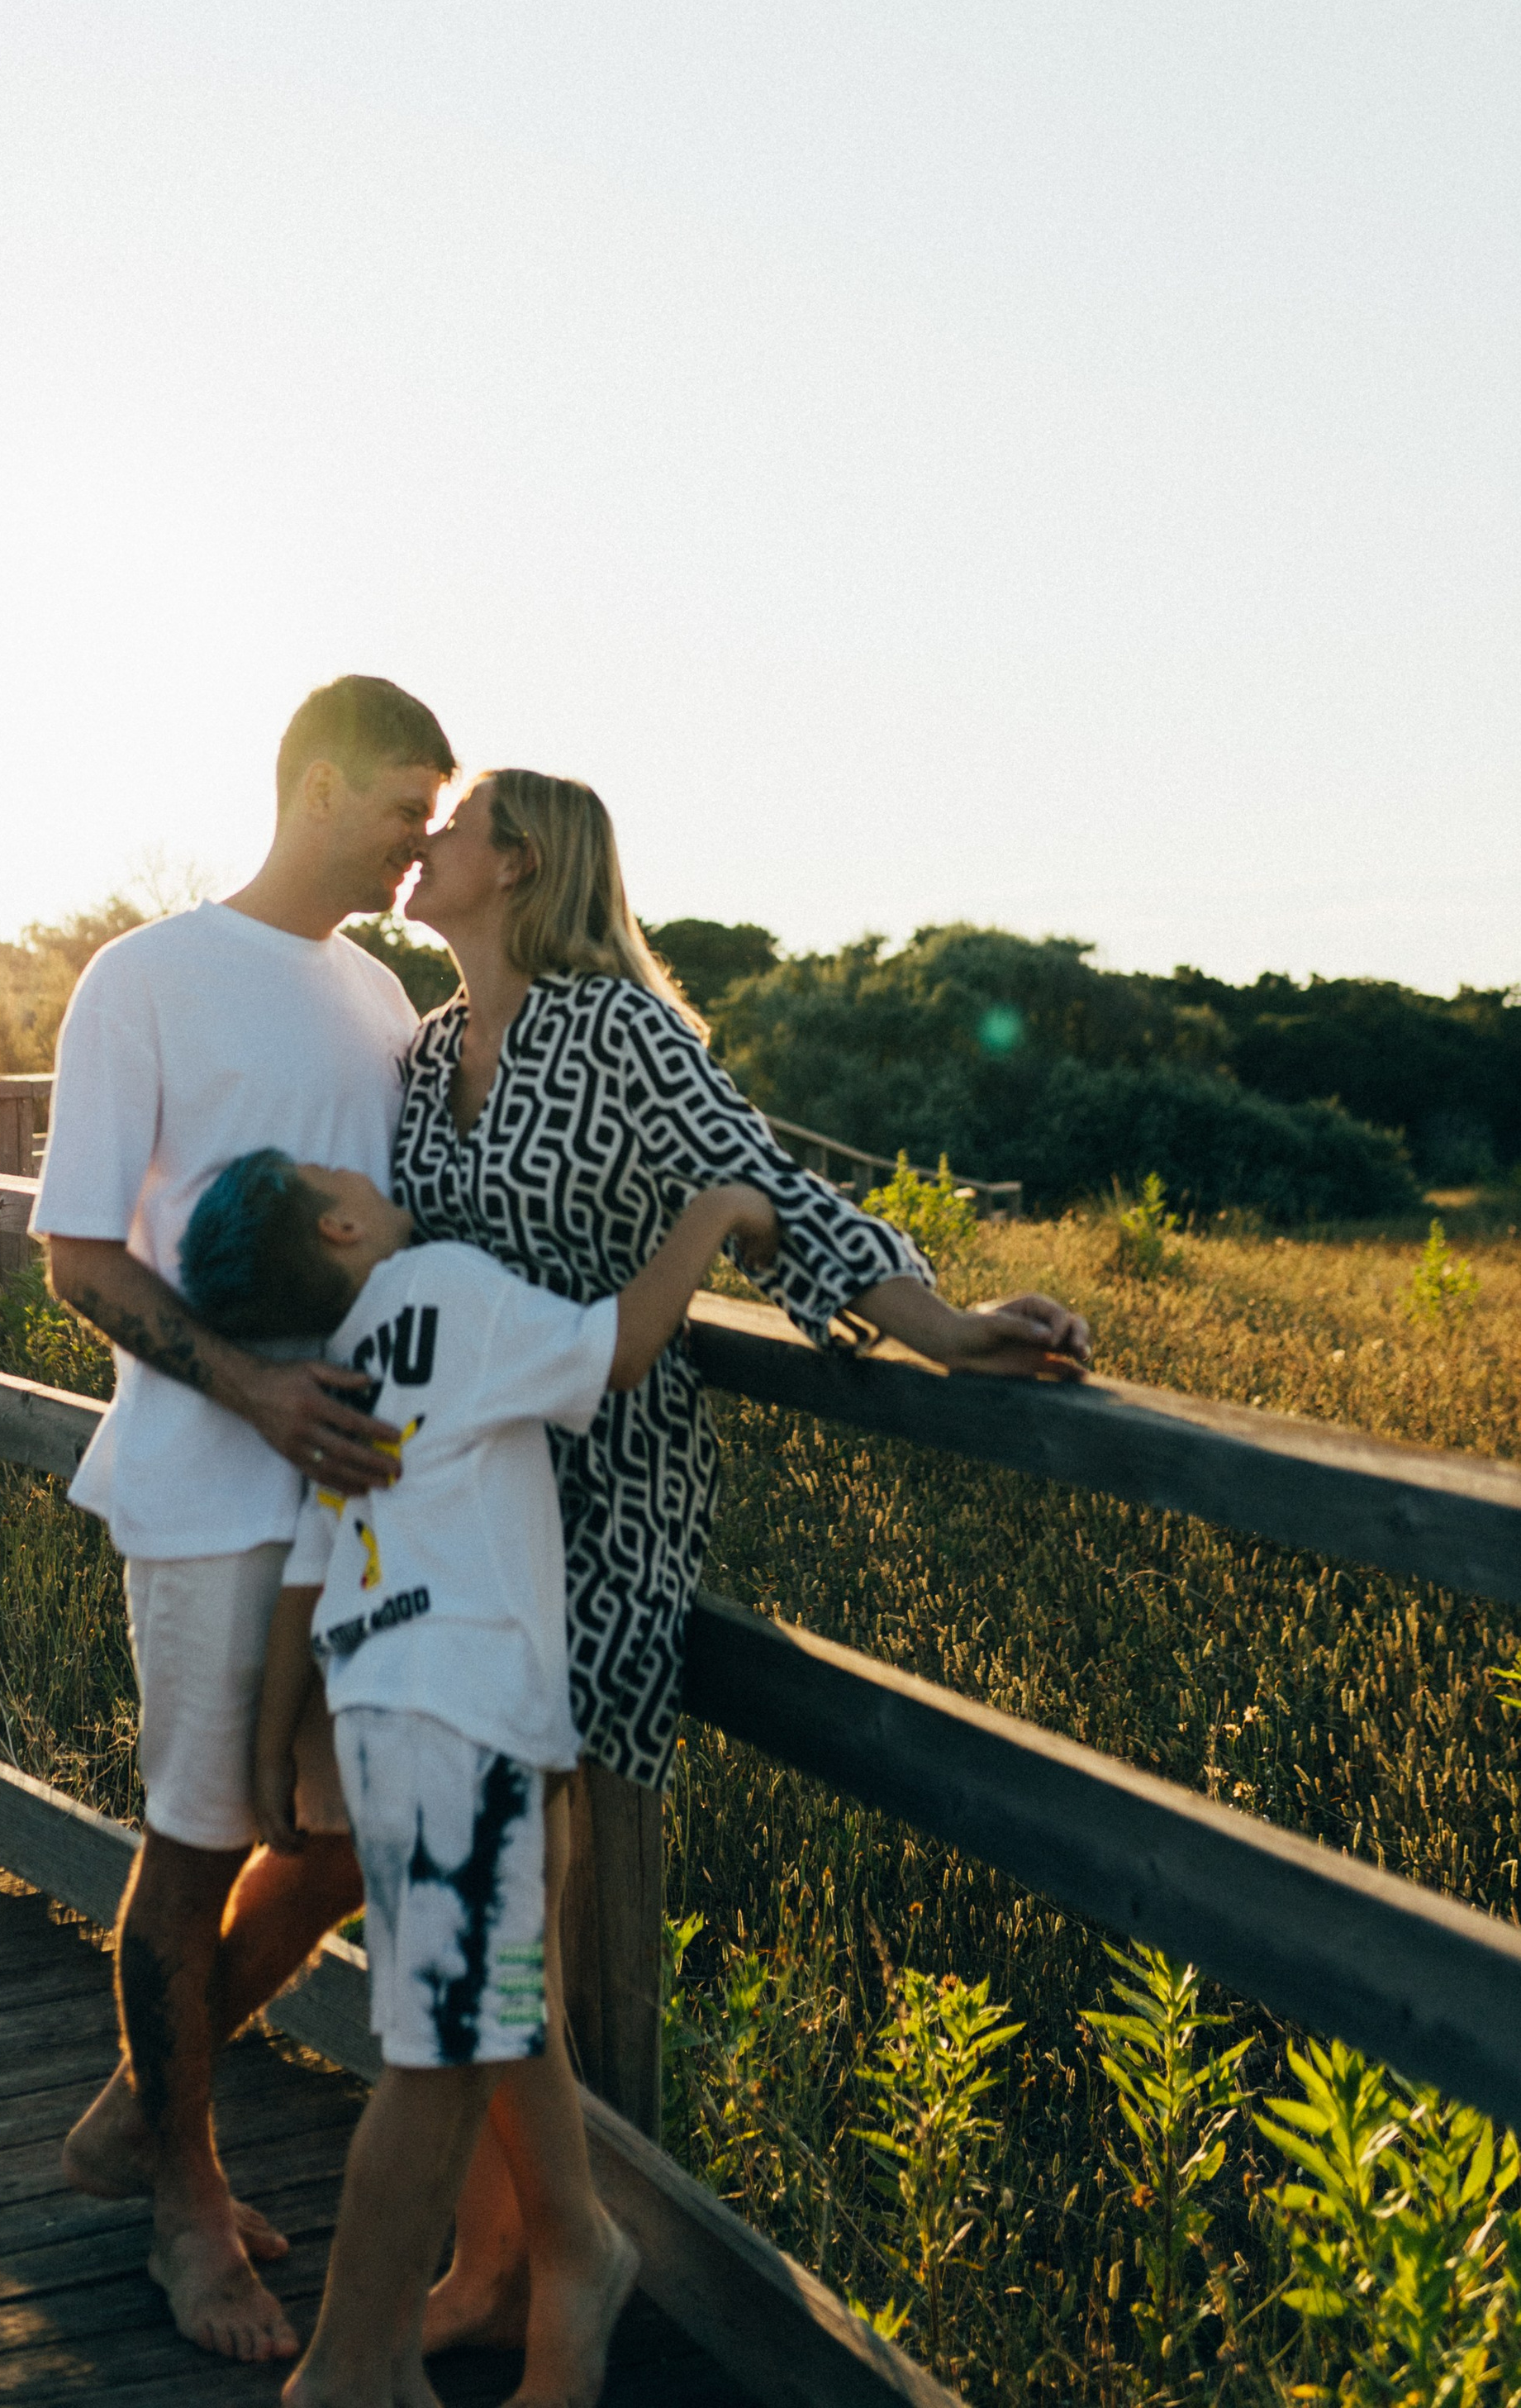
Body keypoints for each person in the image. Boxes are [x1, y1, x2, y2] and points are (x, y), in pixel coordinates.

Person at [396, 767, 1093, 2352]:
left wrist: (949, 1329)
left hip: (600, 1499)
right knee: (497, 1886)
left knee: (509, 1882)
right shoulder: (430, 1051)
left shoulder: (624, 1034)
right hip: (456, 1501)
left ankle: (542, 2261)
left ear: (514, 862)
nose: (418, 847)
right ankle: (497, 2254)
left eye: (447, 828)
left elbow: (775, 1192)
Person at [179, 1144, 782, 2408]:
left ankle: (516, 2290)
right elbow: (617, 1349)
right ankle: (352, 2363)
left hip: (387, 1716)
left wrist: (270, 1743)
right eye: (336, 1167)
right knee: (443, 2054)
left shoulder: (341, 1370)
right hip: (471, 1716)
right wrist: (713, 1214)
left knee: (480, 2021)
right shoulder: (449, 1282)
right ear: (343, 1223)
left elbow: (307, 1565)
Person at [33, 675, 456, 2367]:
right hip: (213, 1484)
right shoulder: (145, 979)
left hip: (365, 1495)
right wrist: (255, 1392)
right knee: (197, 1837)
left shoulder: (378, 996)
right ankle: (181, 2203)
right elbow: (78, 1254)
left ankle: (139, 2109)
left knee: (343, 1831)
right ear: (321, 781)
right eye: (404, 810)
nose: (425, 845)